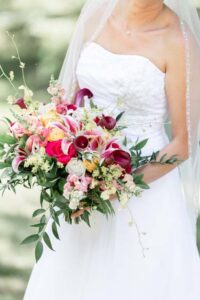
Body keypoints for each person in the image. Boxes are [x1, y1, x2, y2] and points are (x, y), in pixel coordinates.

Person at [23, 1, 200, 299]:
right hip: (79, 185)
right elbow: (68, 105)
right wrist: (55, 151)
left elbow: (182, 144)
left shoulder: (179, 41)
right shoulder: (95, 16)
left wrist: (111, 186)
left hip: (146, 194)